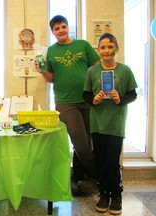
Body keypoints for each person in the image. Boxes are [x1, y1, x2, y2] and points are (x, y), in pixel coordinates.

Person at [35, 15, 101, 195]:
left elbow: (96, 66)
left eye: (63, 26)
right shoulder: (51, 51)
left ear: (67, 27)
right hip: (65, 102)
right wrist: (42, 72)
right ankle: (99, 179)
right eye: (57, 29)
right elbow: (51, 78)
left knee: (88, 140)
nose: (61, 31)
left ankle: (80, 177)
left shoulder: (83, 45)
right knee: (80, 141)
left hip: (88, 99)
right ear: (52, 32)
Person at [83, 33, 138, 215]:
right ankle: (104, 194)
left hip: (116, 124)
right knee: (100, 161)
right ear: (98, 50)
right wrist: (95, 100)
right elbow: (86, 95)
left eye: (110, 47)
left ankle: (116, 195)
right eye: (102, 47)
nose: (106, 50)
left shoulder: (125, 70)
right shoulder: (92, 71)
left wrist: (120, 99)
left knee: (112, 162)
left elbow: (133, 94)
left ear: (117, 49)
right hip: (97, 124)